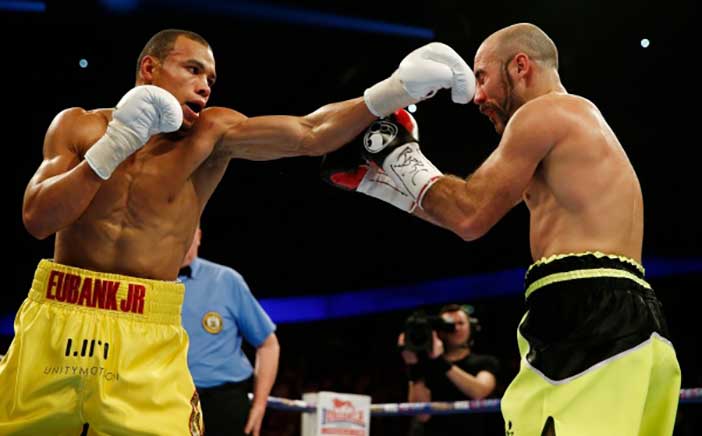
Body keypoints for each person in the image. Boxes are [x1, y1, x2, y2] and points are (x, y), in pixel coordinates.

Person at [1, 27, 474, 435]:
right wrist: (115, 144)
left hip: (146, 333)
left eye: (210, 78)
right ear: (149, 68)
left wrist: (391, 91)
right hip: (58, 317)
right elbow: (38, 218)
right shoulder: (79, 126)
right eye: (192, 70)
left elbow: (310, 134)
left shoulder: (211, 135)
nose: (205, 87)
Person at [327, 23, 682, 435]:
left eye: (482, 76)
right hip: (635, 320)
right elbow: (463, 217)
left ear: (519, 66)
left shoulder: (544, 112)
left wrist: (393, 149)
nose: (477, 96)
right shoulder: (576, 129)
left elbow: (469, 214)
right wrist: (378, 181)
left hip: (586, 314)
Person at [179, 227, 279, 436]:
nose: (184, 240)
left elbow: (268, 344)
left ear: (199, 236)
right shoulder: (150, 279)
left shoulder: (225, 280)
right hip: (169, 399)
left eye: (189, 232)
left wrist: (260, 405)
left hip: (224, 401)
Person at [399, 304, 500, 436]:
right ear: (439, 330)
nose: (456, 328)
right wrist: (413, 365)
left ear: (471, 327)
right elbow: (421, 415)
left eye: (461, 323)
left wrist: (439, 360)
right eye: (449, 324)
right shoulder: (424, 365)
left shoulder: (485, 362)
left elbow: (479, 391)